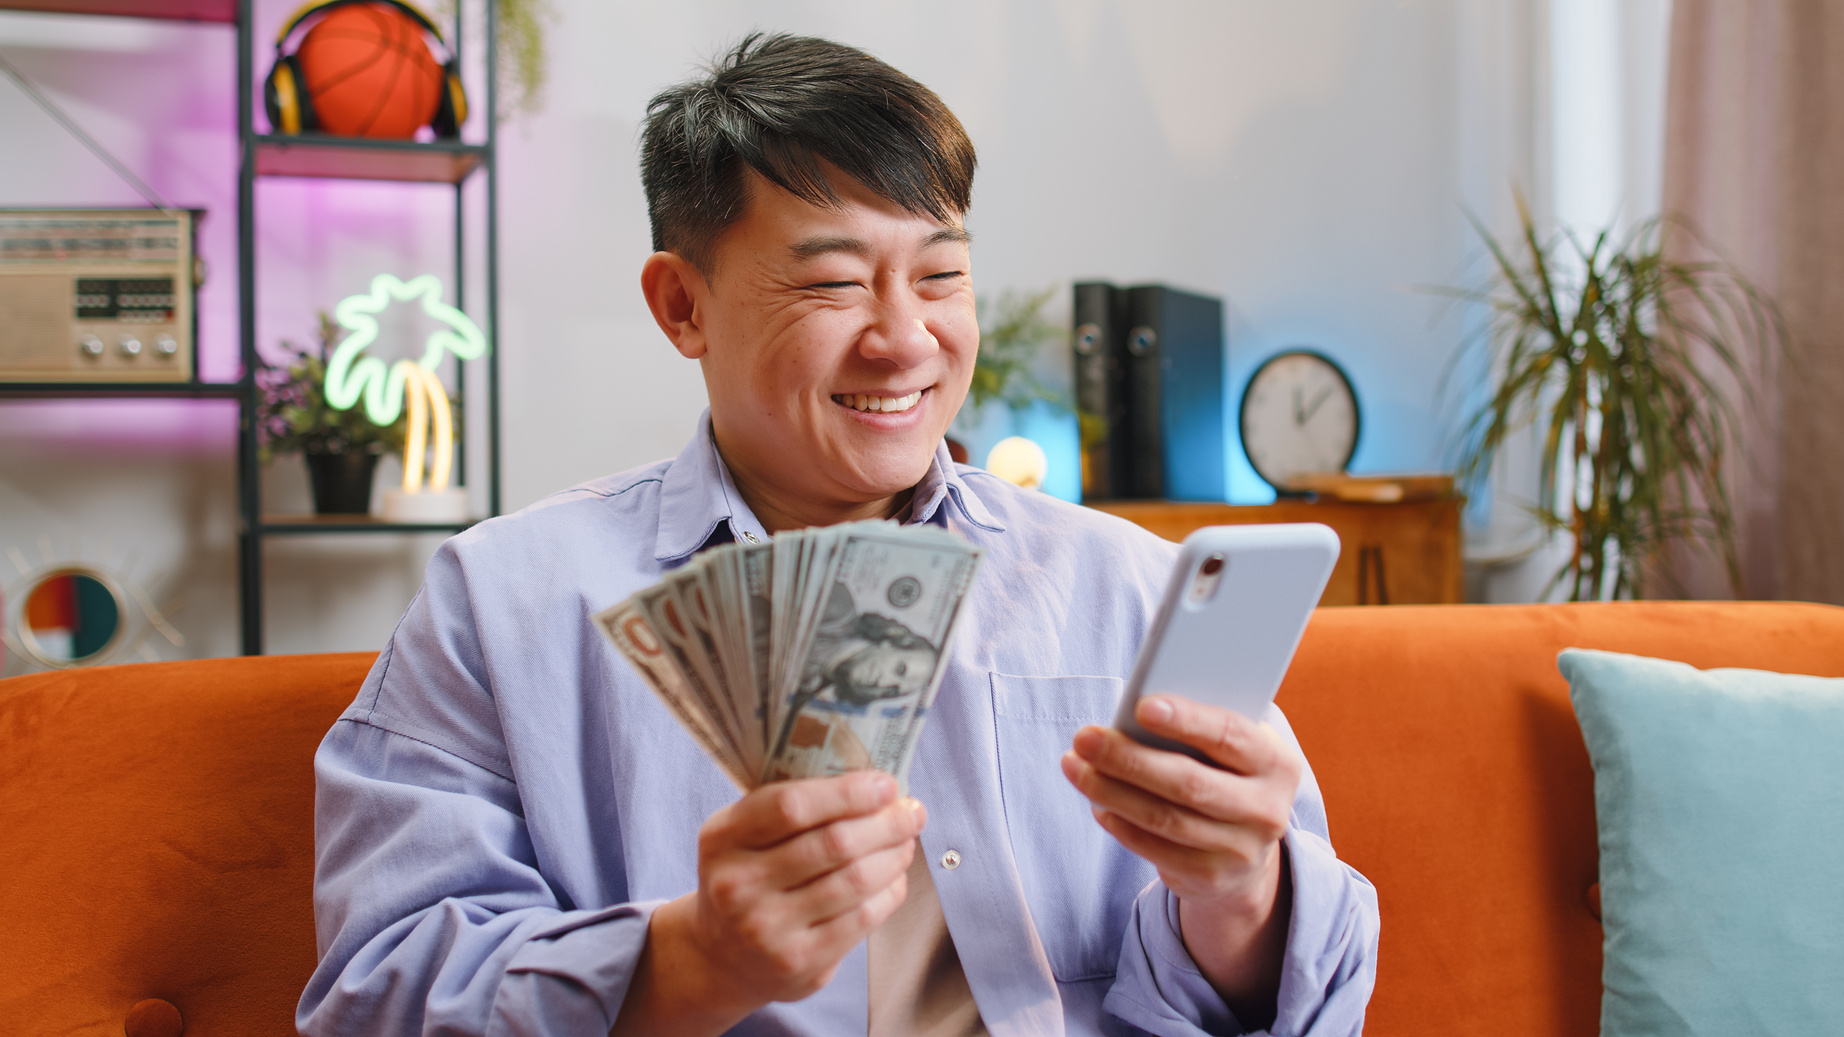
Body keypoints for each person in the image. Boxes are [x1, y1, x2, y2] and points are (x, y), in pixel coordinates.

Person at [298, 33, 1378, 1037]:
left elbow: (1303, 992)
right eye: (829, 281)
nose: (904, 338)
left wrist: (1239, 893)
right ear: (681, 306)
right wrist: (691, 959)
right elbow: (373, 989)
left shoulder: (1126, 581)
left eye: (940, 274)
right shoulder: (502, 601)